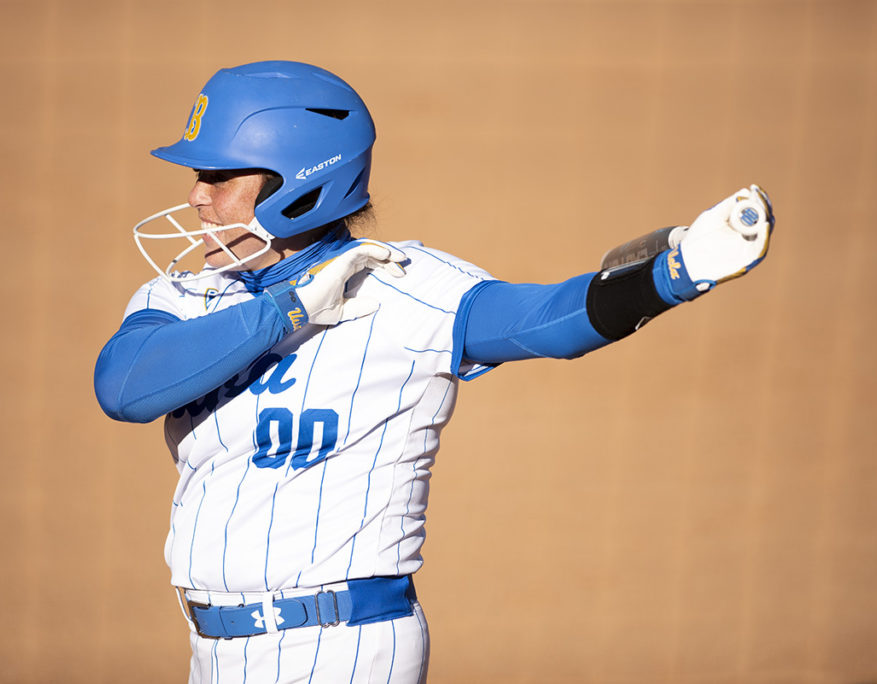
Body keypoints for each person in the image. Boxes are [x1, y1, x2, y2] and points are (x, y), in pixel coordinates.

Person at [94, 60, 772, 684]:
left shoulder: (401, 288)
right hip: (210, 653)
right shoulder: (181, 298)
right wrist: (289, 308)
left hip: (342, 647)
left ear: (292, 187)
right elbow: (124, 389)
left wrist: (673, 275)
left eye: (217, 176)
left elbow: (545, 320)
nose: (194, 196)